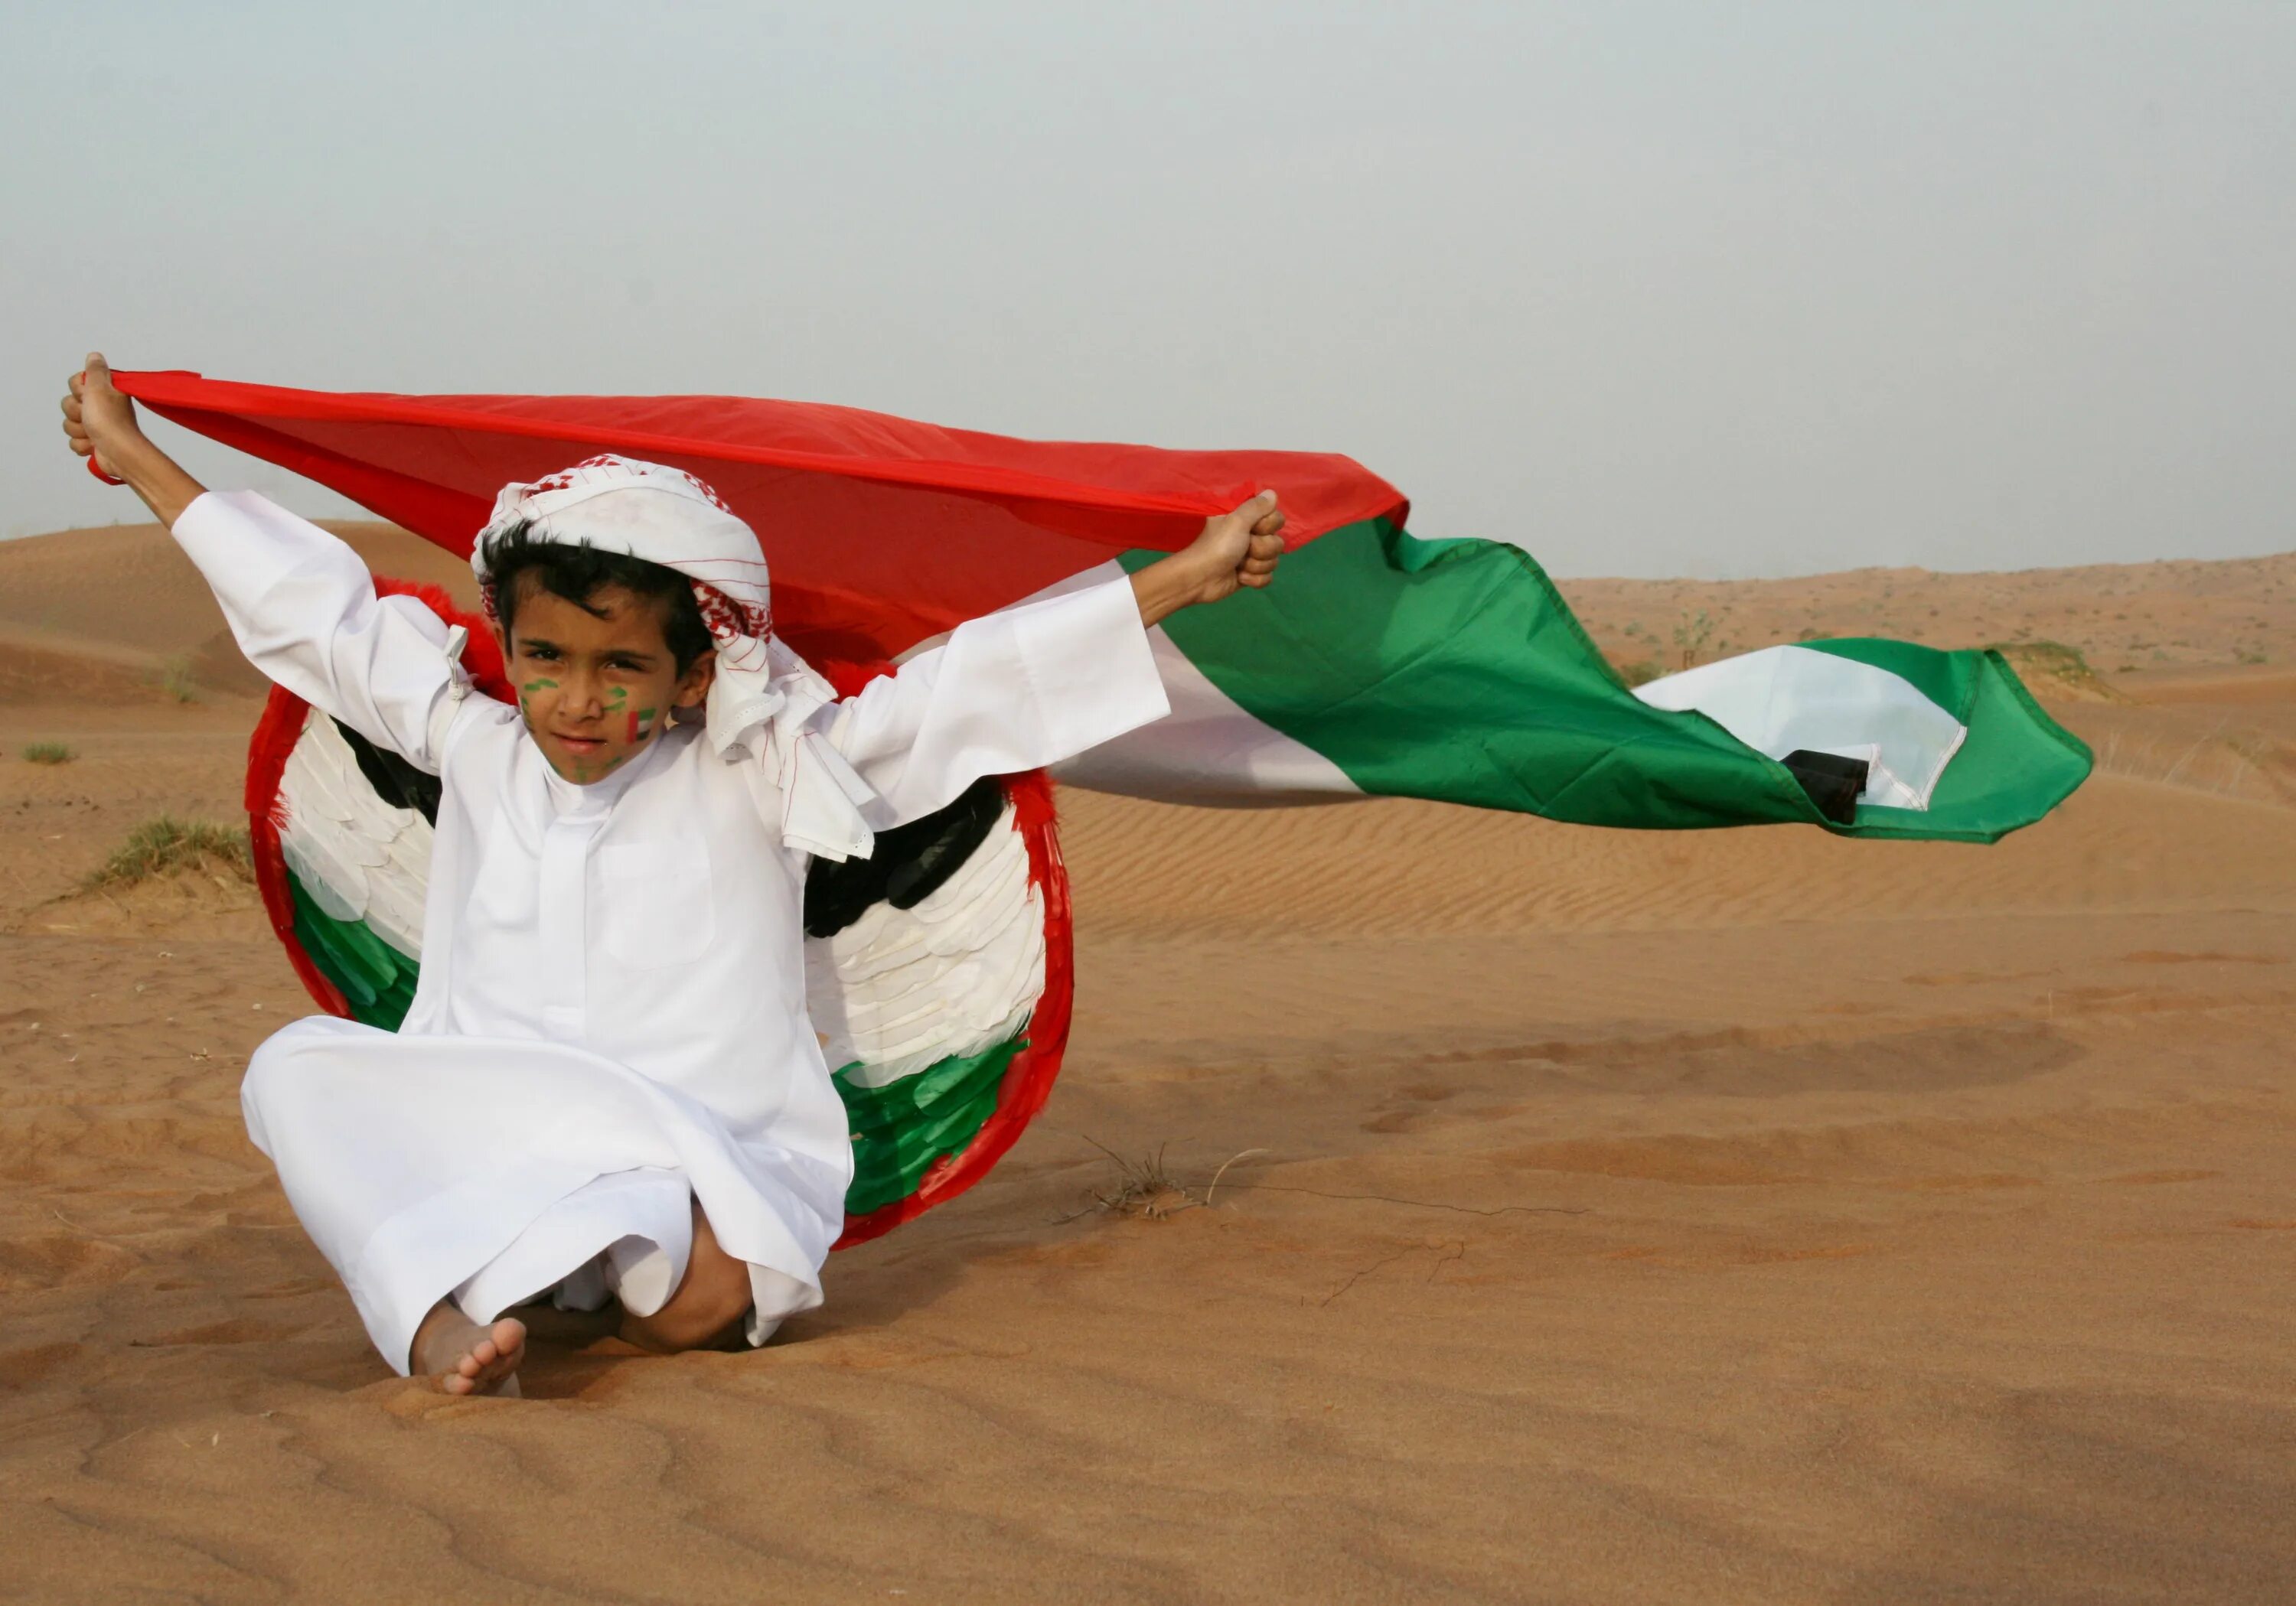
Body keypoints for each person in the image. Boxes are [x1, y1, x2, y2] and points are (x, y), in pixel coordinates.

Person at [61, 353, 1284, 1396]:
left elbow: (970, 690)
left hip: (699, 1164)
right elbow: (307, 611)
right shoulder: (472, 742)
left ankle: (526, 1283)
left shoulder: (766, 773)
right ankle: (431, 1323)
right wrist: (137, 454)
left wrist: (1186, 577)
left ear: (694, 677)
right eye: (544, 656)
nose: (575, 700)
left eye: (621, 666)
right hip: (515, 1137)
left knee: (685, 1303)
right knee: (294, 1071)